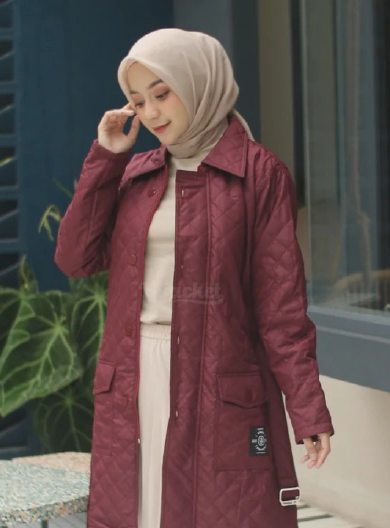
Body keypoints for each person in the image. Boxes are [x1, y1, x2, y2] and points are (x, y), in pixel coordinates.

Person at [55, 28, 334, 528]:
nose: (151, 113)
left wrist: (307, 407)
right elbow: (76, 258)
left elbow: (281, 309)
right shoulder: (137, 173)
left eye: (162, 93)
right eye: (139, 101)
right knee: (140, 512)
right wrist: (107, 158)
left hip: (217, 383)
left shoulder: (259, 175)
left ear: (199, 83)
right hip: (133, 376)